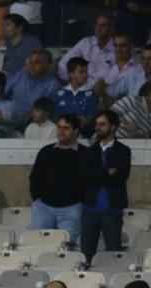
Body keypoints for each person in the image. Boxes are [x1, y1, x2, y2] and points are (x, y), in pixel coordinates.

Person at [81, 110, 130, 268]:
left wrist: (98, 174)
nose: (98, 127)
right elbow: (87, 177)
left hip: (113, 207)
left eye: (102, 124)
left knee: (113, 251)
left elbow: (119, 178)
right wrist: (107, 172)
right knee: (86, 252)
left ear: (113, 127)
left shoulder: (123, 151)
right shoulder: (90, 151)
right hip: (90, 208)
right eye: (97, 124)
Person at [29, 115, 86, 245]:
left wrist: (81, 202)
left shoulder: (85, 154)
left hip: (72, 209)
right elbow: (35, 177)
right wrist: (36, 198)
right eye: (59, 127)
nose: (61, 131)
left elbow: (90, 182)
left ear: (76, 131)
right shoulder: (46, 151)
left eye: (66, 128)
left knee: (66, 249)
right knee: (38, 245)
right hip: (43, 208)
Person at [58, 12, 114, 83]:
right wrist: (72, 80)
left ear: (111, 28)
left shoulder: (118, 47)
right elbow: (63, 64)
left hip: (105, 89)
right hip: (82, 87)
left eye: (103, 25)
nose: (98, 28)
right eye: (97, 25)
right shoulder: (86, 43)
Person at [6, 49, 59, 123]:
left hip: (32, 123)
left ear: (48, 65)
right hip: (8, 118)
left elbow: (50, 113)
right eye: (30, 62)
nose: (32, 65)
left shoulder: (52, 85)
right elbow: (2, 93)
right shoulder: (20, 75)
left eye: (37, 62)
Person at [54, 58, 98, 131]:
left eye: (86, 72)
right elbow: (55, 118)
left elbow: (91, 119)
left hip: (83, 135)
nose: (85, 75)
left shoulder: (91, 94)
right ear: (71, 74)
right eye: (81, 72)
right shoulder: (59, 93)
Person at [95, 32, 139, 105]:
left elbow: (133, 98)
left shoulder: (138, 68)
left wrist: (104, 92)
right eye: (115, 45)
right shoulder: (106, 64)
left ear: (131, 46)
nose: (118, 49)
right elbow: (96, 88)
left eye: (123, 46)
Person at [0, 12, 40, 81]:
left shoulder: (32, 42)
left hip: (28, 79)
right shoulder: (2, 44)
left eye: (7, 25)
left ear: (19, 28)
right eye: (3, 25)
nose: (4, 28)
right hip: (6, 80)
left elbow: (40, 64)